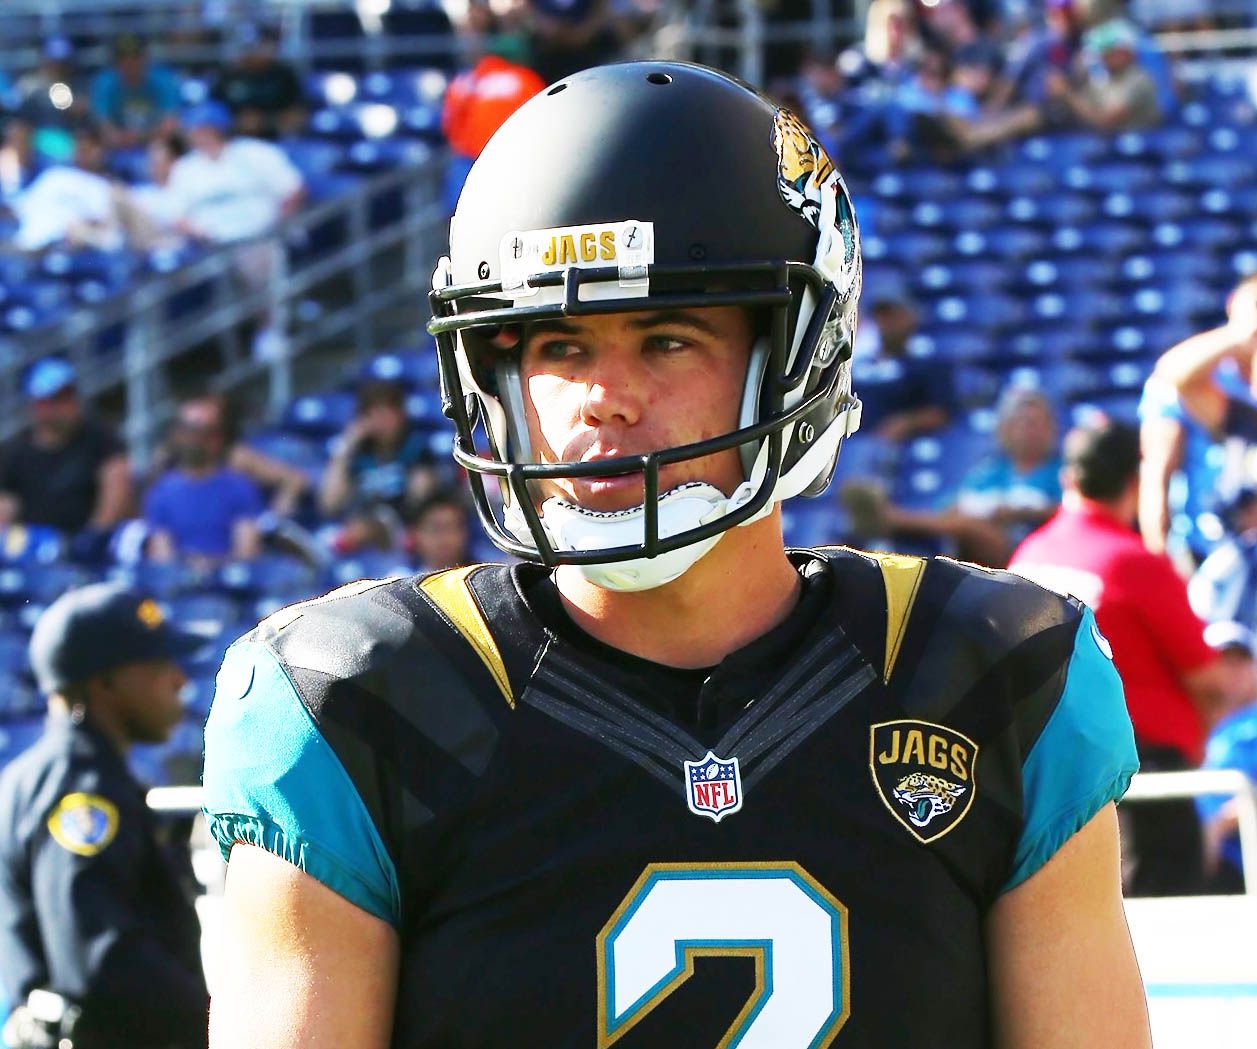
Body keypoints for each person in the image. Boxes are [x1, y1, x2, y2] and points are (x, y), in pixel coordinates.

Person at [202, 63, 1150, 1048]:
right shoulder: (367, 697)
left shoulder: (988, 673)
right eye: (557, 346)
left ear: (798, 353)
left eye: (666, 338)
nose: (602, 399)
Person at [1009, 415, 1238, 896]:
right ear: (1134, 484)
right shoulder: (1133, 562)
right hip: (1140, 787)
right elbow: (1212, 682)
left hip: (1042, 783)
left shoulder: (1026, 557)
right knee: (1160, 932)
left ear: (1068, 478)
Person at [0, 583, 208, 1048]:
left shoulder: (45, 774)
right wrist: (220, 1024)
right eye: (158, 665)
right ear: (105, 683)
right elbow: (102, 964)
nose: (179, 680)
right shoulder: (83, 790)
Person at [166, 100, 305, 361]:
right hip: (211, 245)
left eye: (204, 129)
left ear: (219, 128)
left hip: (262, 235)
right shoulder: (185, 169)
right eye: (195, 130)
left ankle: (270, 329)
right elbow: (177, 216)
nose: (199, 135)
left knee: (259, 257)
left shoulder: (255, 153)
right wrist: (200, 234)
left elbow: (293, 190)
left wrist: (278, 223)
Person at [0, 359, 133, 551]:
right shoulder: (16, 451)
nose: (67, 405)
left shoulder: (101, 438)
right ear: (37, 405)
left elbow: (117, 483)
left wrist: (95, 534)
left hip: (91, 542)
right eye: (57, 399)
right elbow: (6, 506)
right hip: (37, 546)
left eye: (69, 395)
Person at [143, 397, 266, 567]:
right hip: (181, 579)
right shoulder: (161, 492)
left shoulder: (239, 487)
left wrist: (208, 566)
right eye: (188, 430)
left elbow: (247, 554)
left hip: (228, 578)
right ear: (177, 434)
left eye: (205, 432)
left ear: (218, 438)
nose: (195, 439)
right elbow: (162, 558)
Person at [318, 378, 439, 523]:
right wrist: (347, 446)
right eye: (373, 414)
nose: (381, 421)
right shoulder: (357, 453)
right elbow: (329, 505)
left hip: (403, 524)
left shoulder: (416, 448)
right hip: (362, 522)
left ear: (401, 415)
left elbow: (422, 500)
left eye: (387, 413)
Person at [1196, 620, 1257, 894]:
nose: (1231, 671)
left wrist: (1220, 825)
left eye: (1240, 661)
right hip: (1197, 860)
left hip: (1240, 865)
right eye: (1222, 660)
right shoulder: (1190, 721)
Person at [211, 23, 306, 140]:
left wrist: (264, 121)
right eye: (250, 47)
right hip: (231, 141)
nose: (257, 51)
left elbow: (298, 115)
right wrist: (237, 122)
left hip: (277, 140)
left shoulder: (284, 75)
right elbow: (210, 115)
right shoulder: (227, 75)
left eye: (262, 45)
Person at [89, 33, 182, 150]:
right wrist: (118, 136)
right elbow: (102, 125)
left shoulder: (164, 80)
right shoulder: (104, 83)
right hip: (115, 148)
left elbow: (169, 124)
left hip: (156, 145)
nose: (129, 62)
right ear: (115, 61)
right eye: (123, 57)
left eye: (135, 57)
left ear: (145, 58)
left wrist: (139, 137)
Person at [406, 488, 472, 572]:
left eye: (450, 528)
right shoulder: (401, 577)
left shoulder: (483, 575)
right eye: (435, 529)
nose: (444, 537)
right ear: (417, 534)